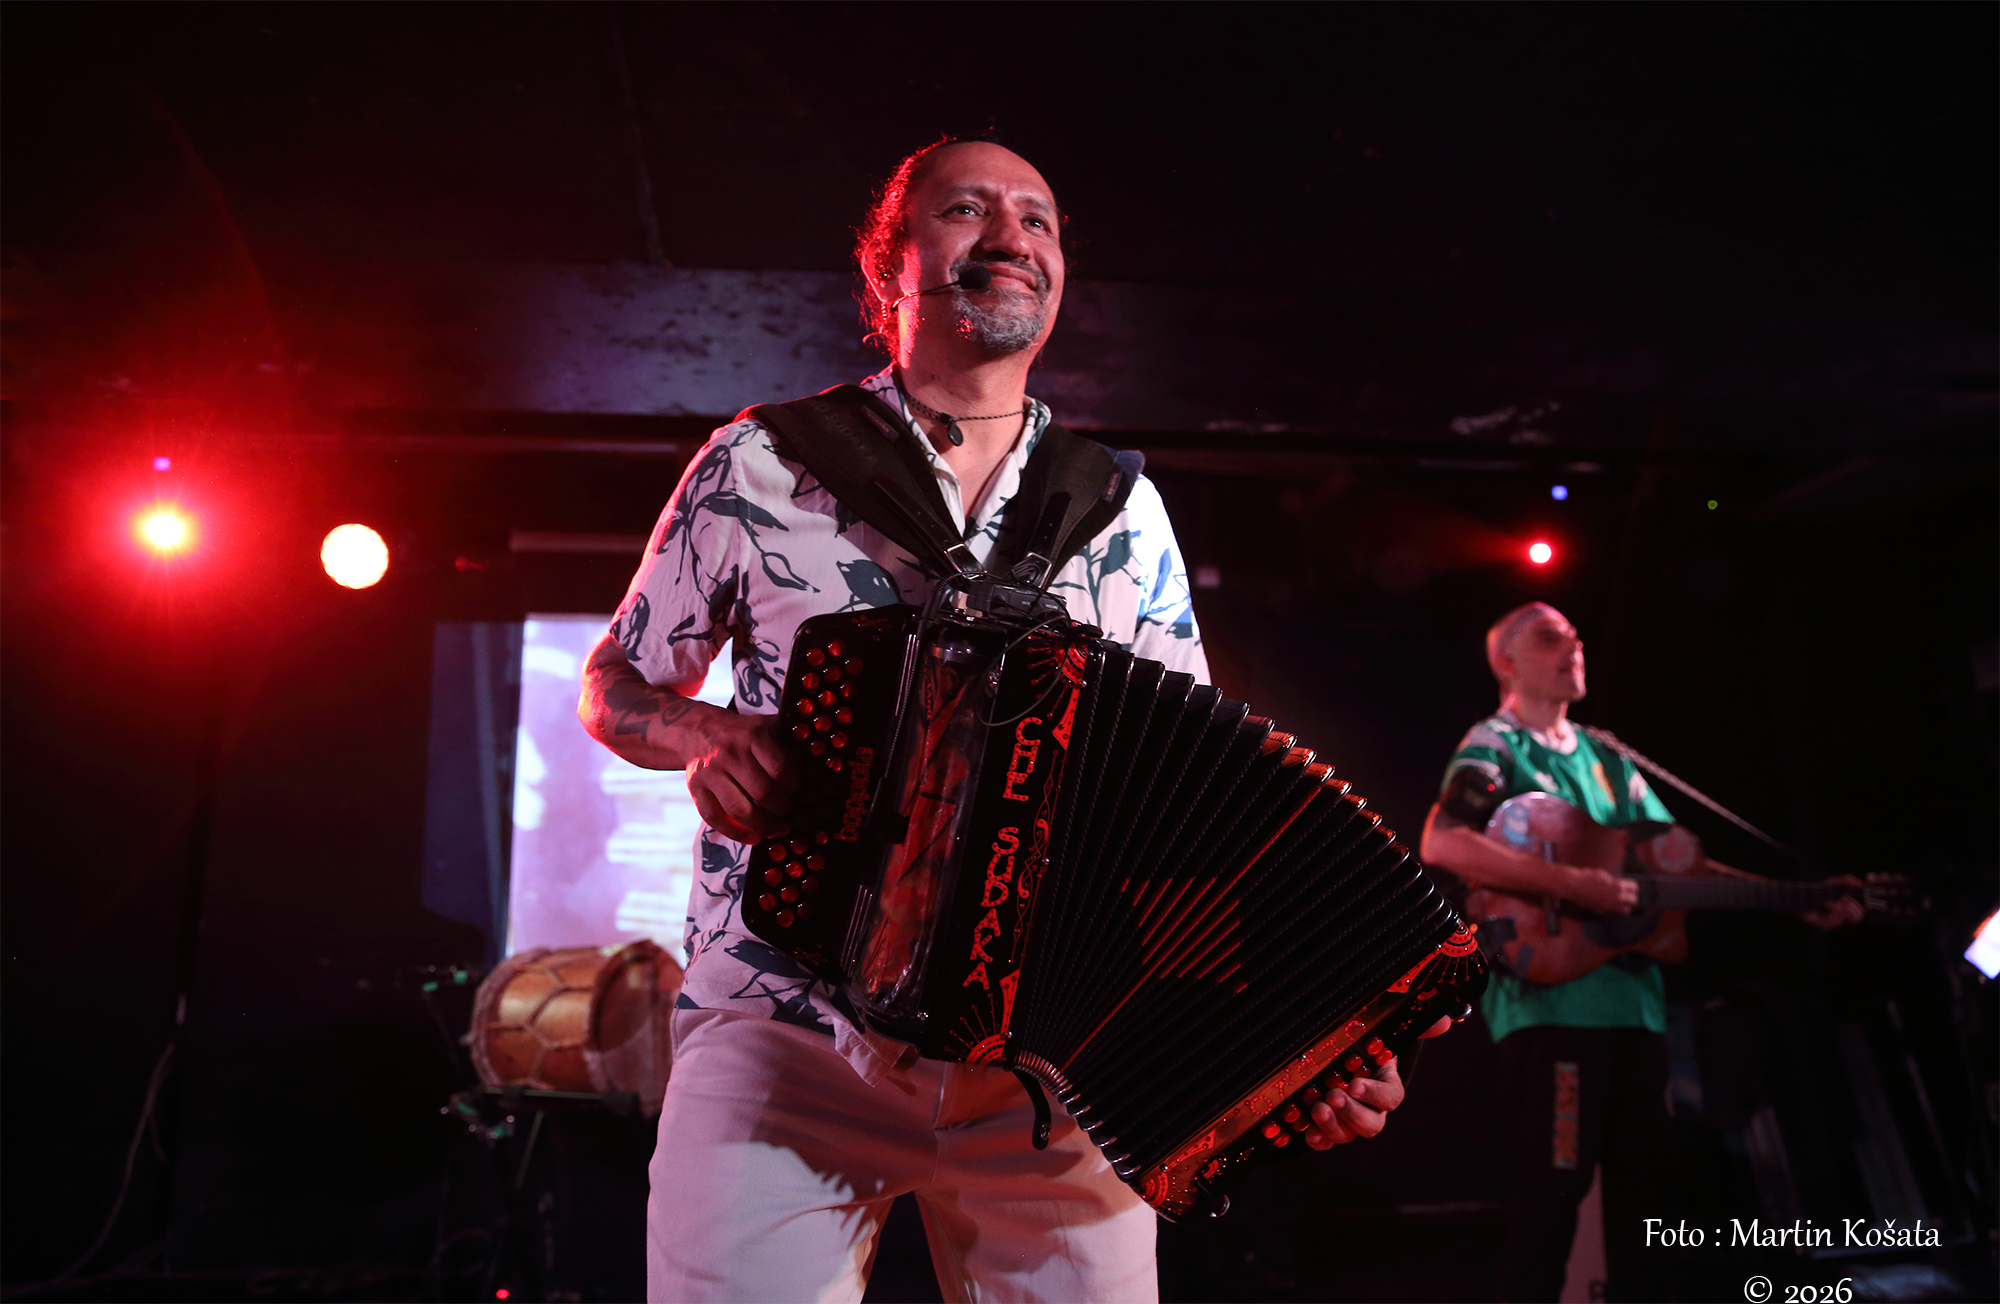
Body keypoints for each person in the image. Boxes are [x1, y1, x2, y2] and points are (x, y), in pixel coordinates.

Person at [578, 138, 1445, 1303]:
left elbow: (1187, 808)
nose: (1009, 238)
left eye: (1036, 220)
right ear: (888, 262)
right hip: (785, 1032)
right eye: (966, 210)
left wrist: (1302, 1049)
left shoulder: (1120, 509)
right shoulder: (761, 461)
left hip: (1048, 1074)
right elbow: (615, 682)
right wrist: (702, 734)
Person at [1419, 601, 1861, 1302]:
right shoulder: (1495, 745)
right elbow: (1443, 841)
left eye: (1575, 637)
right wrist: (1572, 883)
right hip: (1550, 1005)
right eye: (1549, 638)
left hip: (1634, 1008)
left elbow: (1678, 865)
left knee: (1650, 1206)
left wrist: (1792, 897)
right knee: (1551, 1198)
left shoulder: (1606, 759)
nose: (1572, 647)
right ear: (1505, 661)